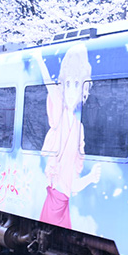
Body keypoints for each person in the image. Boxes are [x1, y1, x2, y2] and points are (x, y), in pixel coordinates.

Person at [38, 43, 101, 229]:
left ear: (84, 90)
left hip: (62, 204)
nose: (72, 91)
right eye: (68, 84)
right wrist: (39, 60)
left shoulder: (79, 129)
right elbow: (48, 85)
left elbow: (72, 185)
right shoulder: (58, 115)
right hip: (54, 201)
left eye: (77, 85)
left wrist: (90, 177)